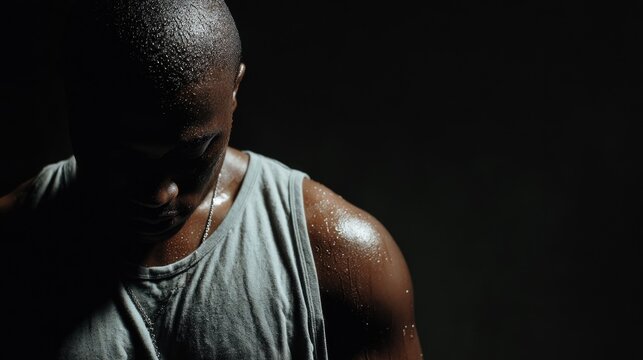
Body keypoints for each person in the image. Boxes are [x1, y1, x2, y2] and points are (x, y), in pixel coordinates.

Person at [0, 0, 422, 358]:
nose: (159, 192)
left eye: (194, 154)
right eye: (122, 157)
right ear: (75, 107)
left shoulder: (342, 261)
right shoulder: (14, 244)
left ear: (234, 89)